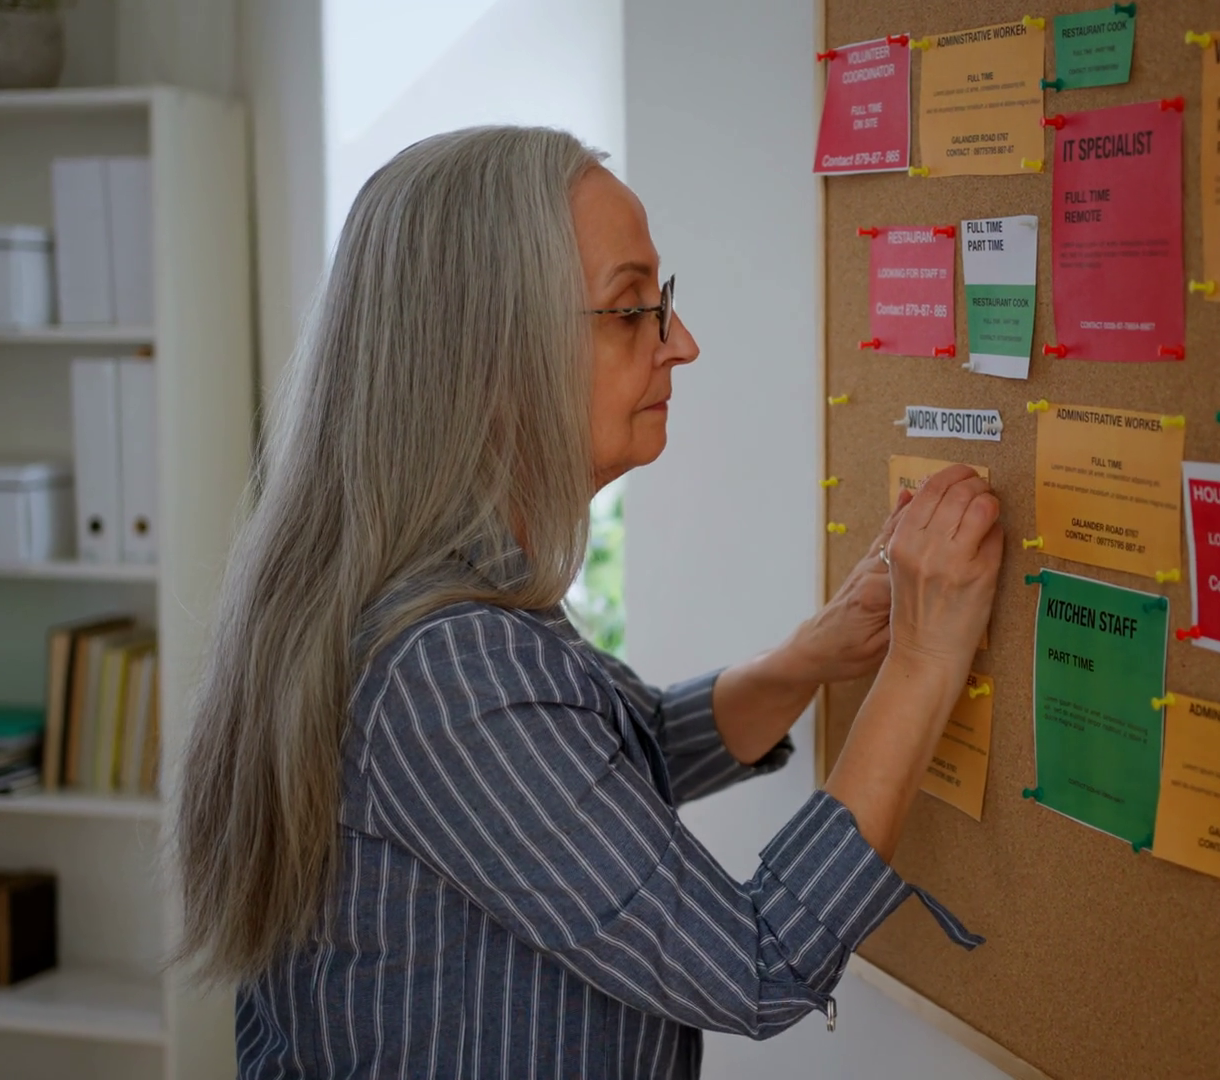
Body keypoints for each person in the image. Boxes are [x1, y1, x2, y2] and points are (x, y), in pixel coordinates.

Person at [172, 126, 1002, 1078]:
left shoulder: (432, 591)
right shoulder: (448, 662)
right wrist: (924, 663)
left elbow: (612, 755)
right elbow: (759, 963)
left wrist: (806, 660)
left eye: (662, 301)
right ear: (490, 359)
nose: (680, 343)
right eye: (630, 309)